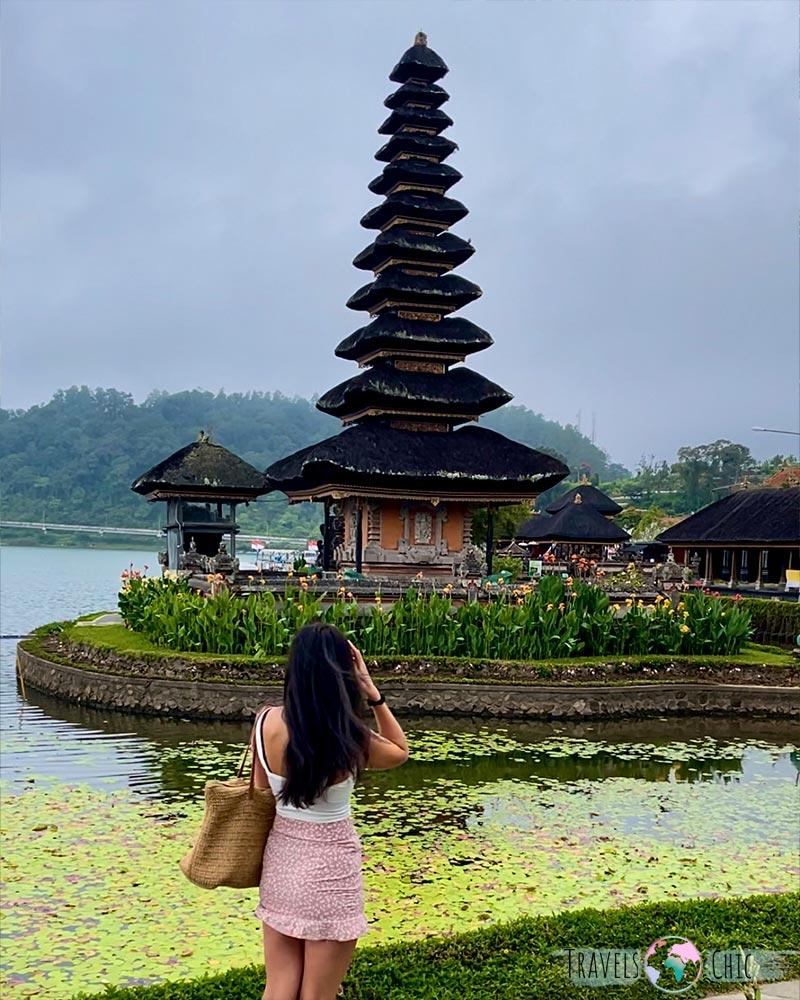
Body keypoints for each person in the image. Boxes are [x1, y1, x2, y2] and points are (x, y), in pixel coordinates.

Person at [252, 621, 409, 1000]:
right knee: (318, 995)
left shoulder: (265, 721)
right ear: (342, 674)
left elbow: (259, 796)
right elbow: (399, 751)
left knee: (279, 988)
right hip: (331, 874)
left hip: (282, 867)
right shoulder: (350, 736)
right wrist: (373, 693)